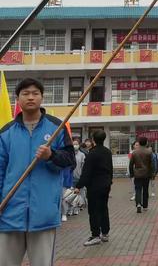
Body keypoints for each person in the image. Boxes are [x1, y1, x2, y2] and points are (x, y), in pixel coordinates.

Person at [0, 78, 75, 266]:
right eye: (25, 94)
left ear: (42, 98)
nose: (31, 97)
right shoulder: (6, 132)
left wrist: (51, 155)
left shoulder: (57, 127)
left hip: (43, 213)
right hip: (10, 212)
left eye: (35, 93)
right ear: (17, 99)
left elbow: (69, 159)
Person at [75, 129, 113, 246]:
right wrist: (109, 181)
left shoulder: (92, 153)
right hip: (105, 185)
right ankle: (105, 233)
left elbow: (86, 172)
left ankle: (95, 235)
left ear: (93, 140)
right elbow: (110, 169)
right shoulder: (107, 152)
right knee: (103, 208)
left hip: (94, 186)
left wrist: (78, 186)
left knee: (93, 211)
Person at [129, 136, 153, 213]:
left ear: (139, 143)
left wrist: (131, 174)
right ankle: (145, 206)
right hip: (146, 174)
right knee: (145, 190)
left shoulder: (134, 152)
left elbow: (131, 164)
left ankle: (138, 204)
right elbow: (151, 164)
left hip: (137, 174)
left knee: (138, 189)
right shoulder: (149, 152)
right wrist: (152, 174)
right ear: (146, 143)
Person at [72, 138, 86, 214]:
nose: (75, 145)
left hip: (79, 177)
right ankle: (74, 208)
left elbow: (83, 166)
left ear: (79, 145)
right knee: (72, 193)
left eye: (76, 144)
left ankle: (79, 206)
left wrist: (83, 176)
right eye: (73, 144)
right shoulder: (70, 154)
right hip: (71, 177)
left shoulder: (82, 155)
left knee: (80, 193)